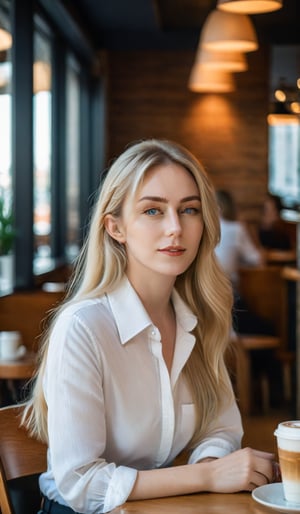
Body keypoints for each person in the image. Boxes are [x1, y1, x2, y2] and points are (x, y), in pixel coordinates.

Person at [22, 140, 276, 514]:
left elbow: (221, 430)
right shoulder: (83, 328)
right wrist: (207, 477)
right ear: (115, 227)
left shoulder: (199, 320)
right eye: (153, 210)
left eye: (189, 210)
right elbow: (80, 482)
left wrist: (211, 464)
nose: (176, 228)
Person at [215, 189, 264, 288]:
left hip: (205, 286)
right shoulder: (237, 229)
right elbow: (256, 259)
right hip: (226, 286)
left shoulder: (206, 228)